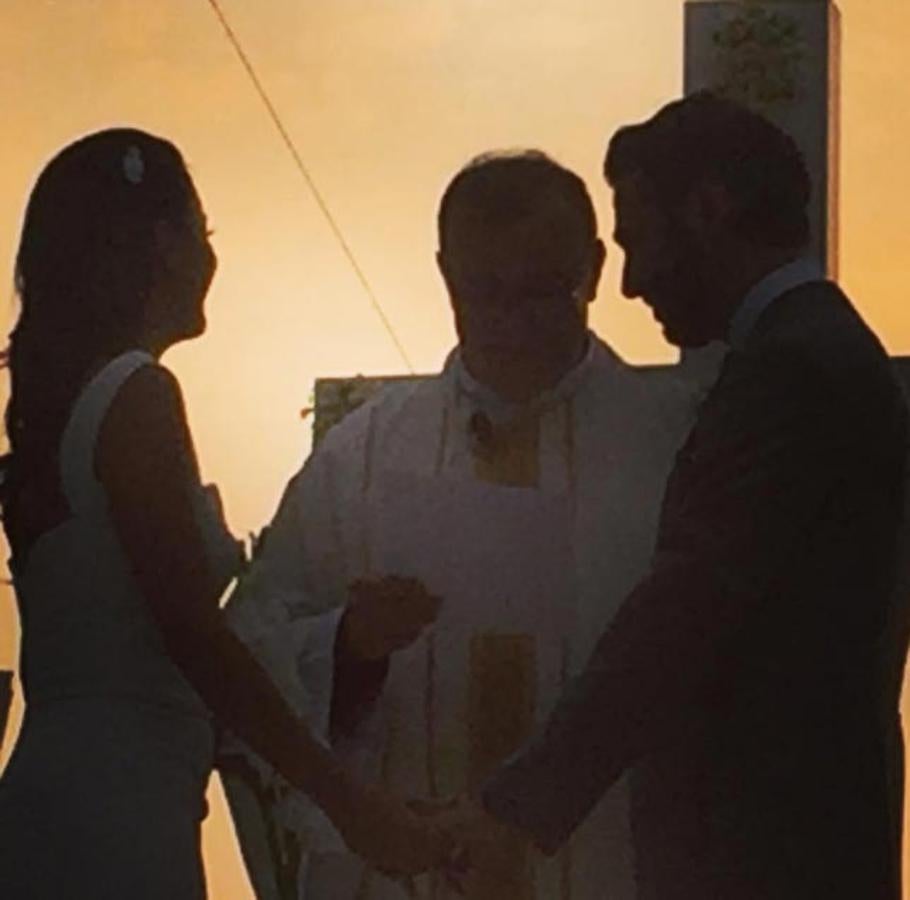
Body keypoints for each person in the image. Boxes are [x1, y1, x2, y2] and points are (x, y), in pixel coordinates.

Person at [438, 93, 910, 899]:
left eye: (638, 241)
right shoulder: (822, 354)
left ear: (709, 208)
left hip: (765, 854)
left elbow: (689, 607)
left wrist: (518, 809)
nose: (627, 283)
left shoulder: (788, 373)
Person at [223, 151, 691, 898]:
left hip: (603, 867)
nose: (512, 322)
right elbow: (246, 650)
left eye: (542, 292)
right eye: (486, 292)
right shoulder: (363, 458)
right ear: (445, 275)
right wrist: (348, 645)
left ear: (595, 270)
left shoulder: (670, 451)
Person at [0, 129, 448, 899]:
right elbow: (195, 639)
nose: (213, 258)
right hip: (119, 809)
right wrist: (346, 801)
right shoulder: (136, 393)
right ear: (163, 243)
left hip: (68, 784)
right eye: (205, 232)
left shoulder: (66, 407)